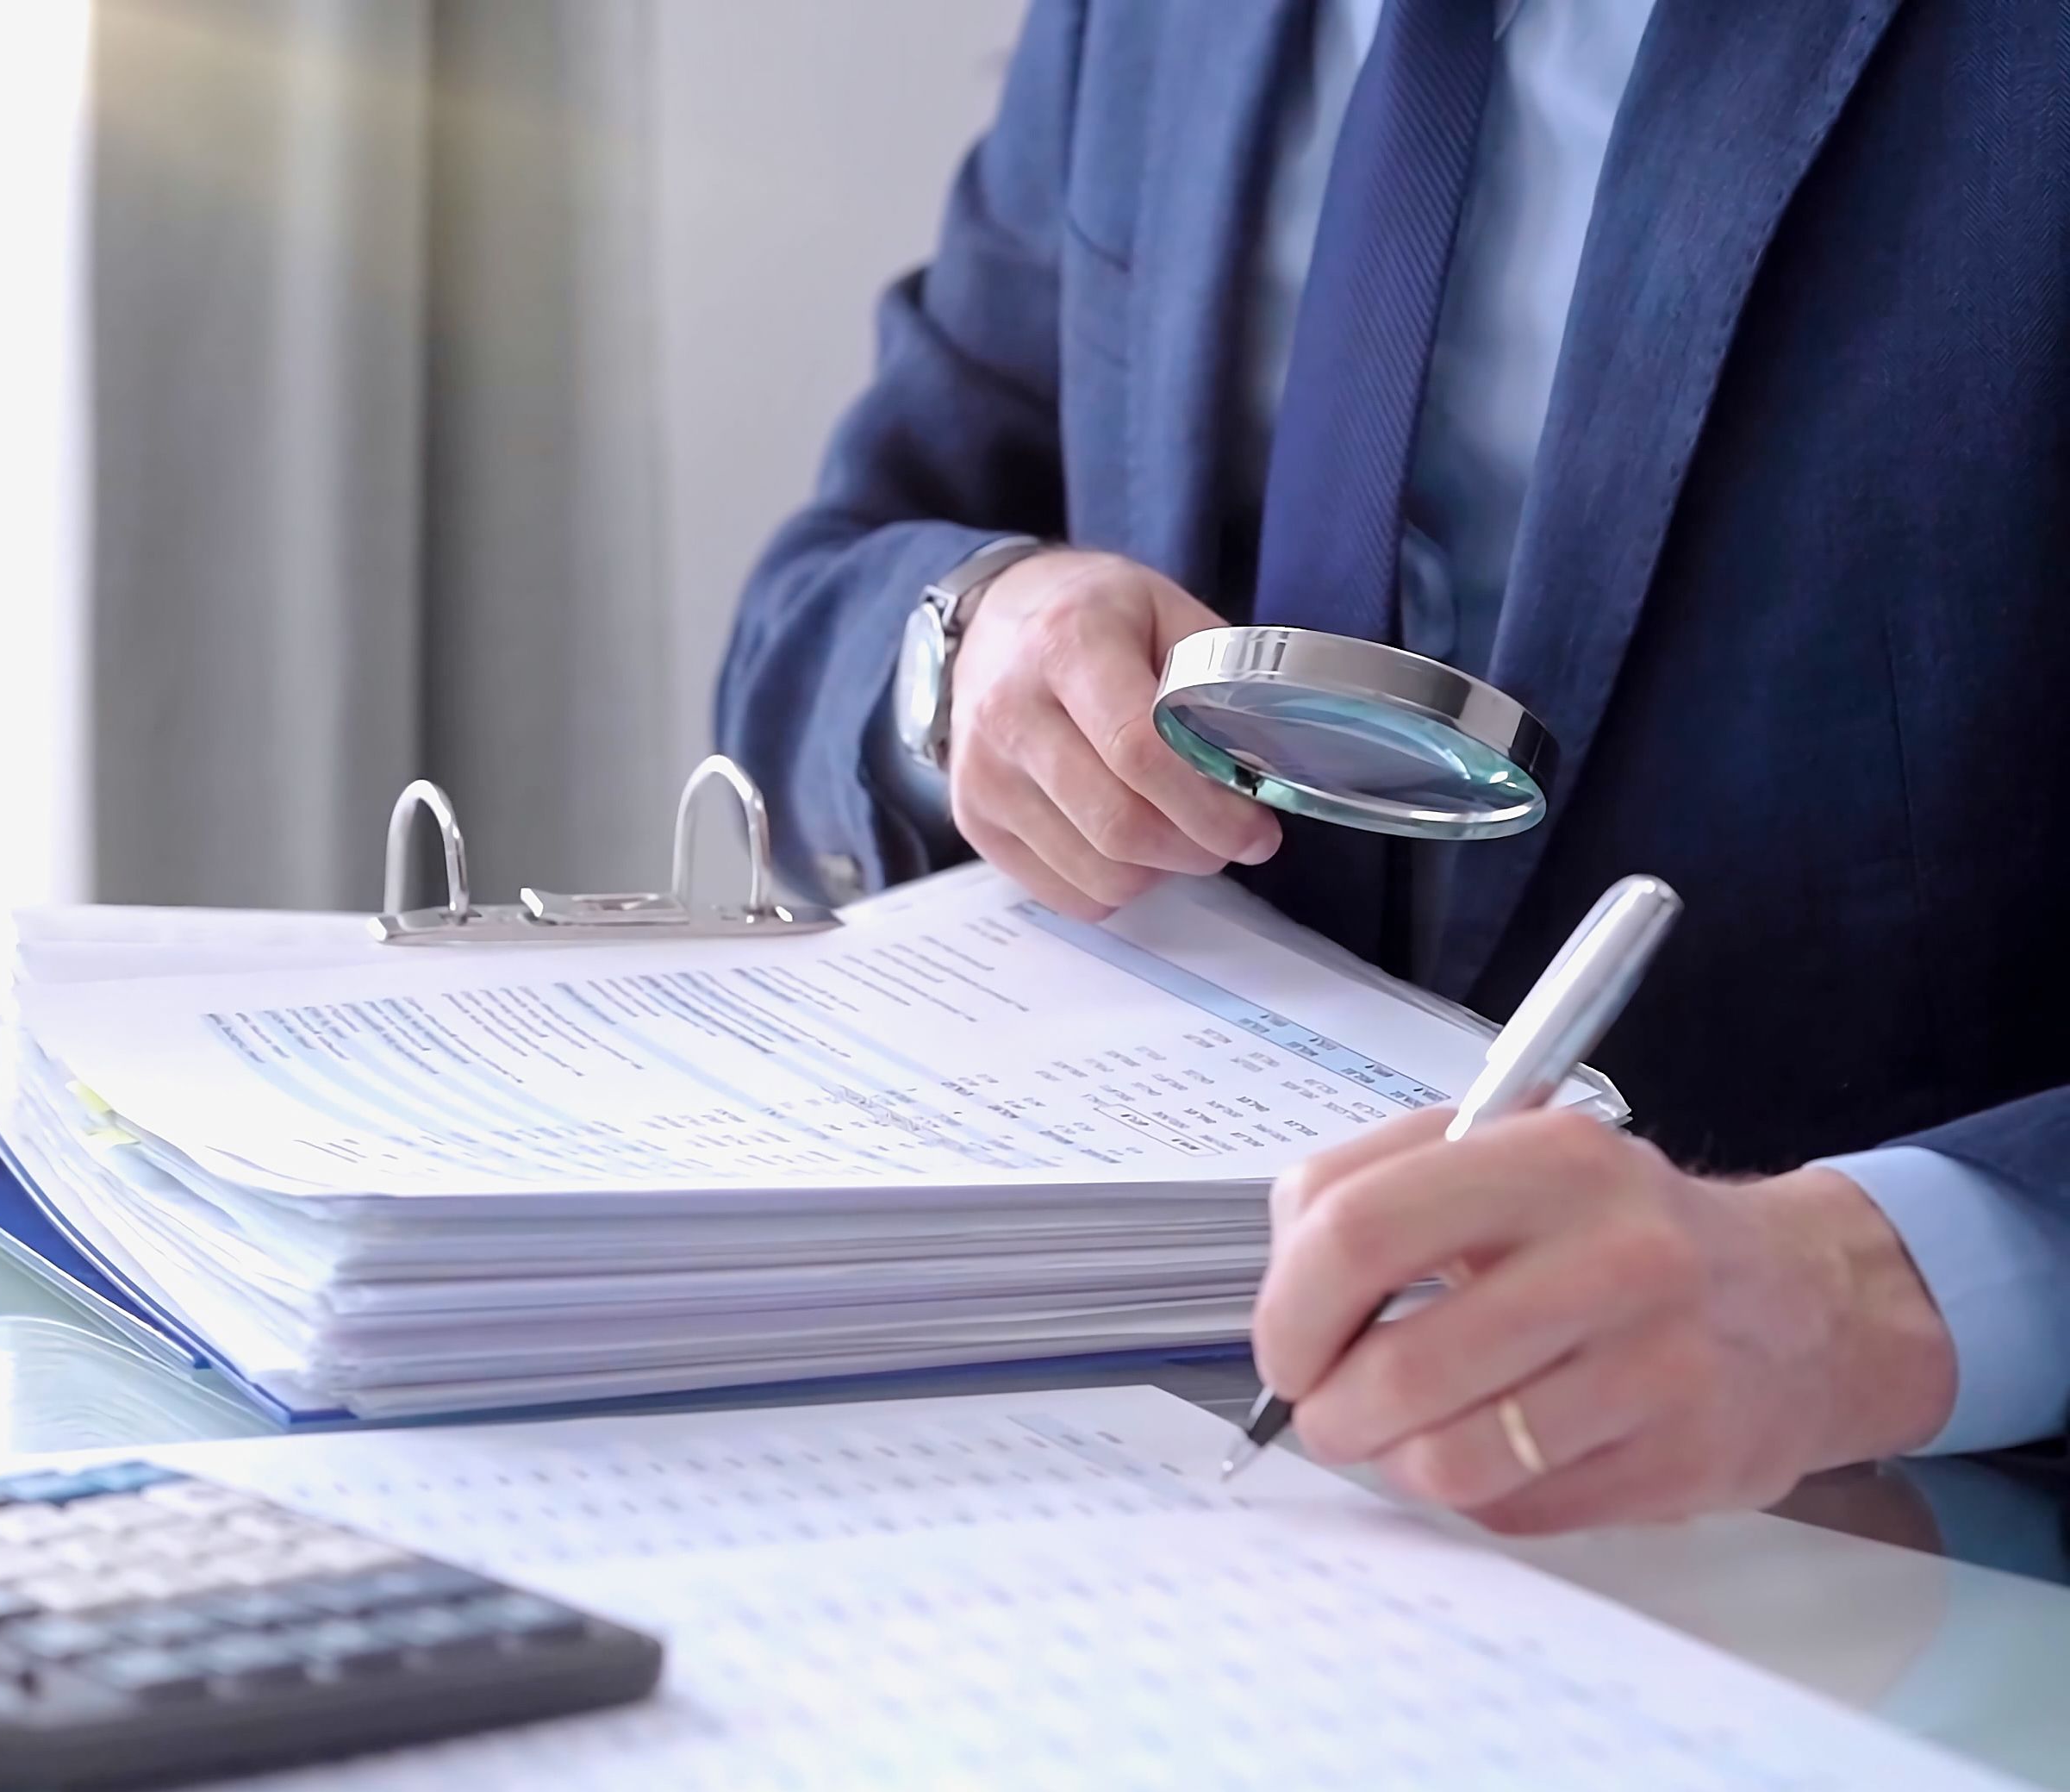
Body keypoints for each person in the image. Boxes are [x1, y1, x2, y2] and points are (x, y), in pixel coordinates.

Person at [716, 0, 2070, 1532]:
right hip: (1129, 1493)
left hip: (1891, 1543)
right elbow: (819, 604)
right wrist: (974, 645)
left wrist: (1860, 1292)